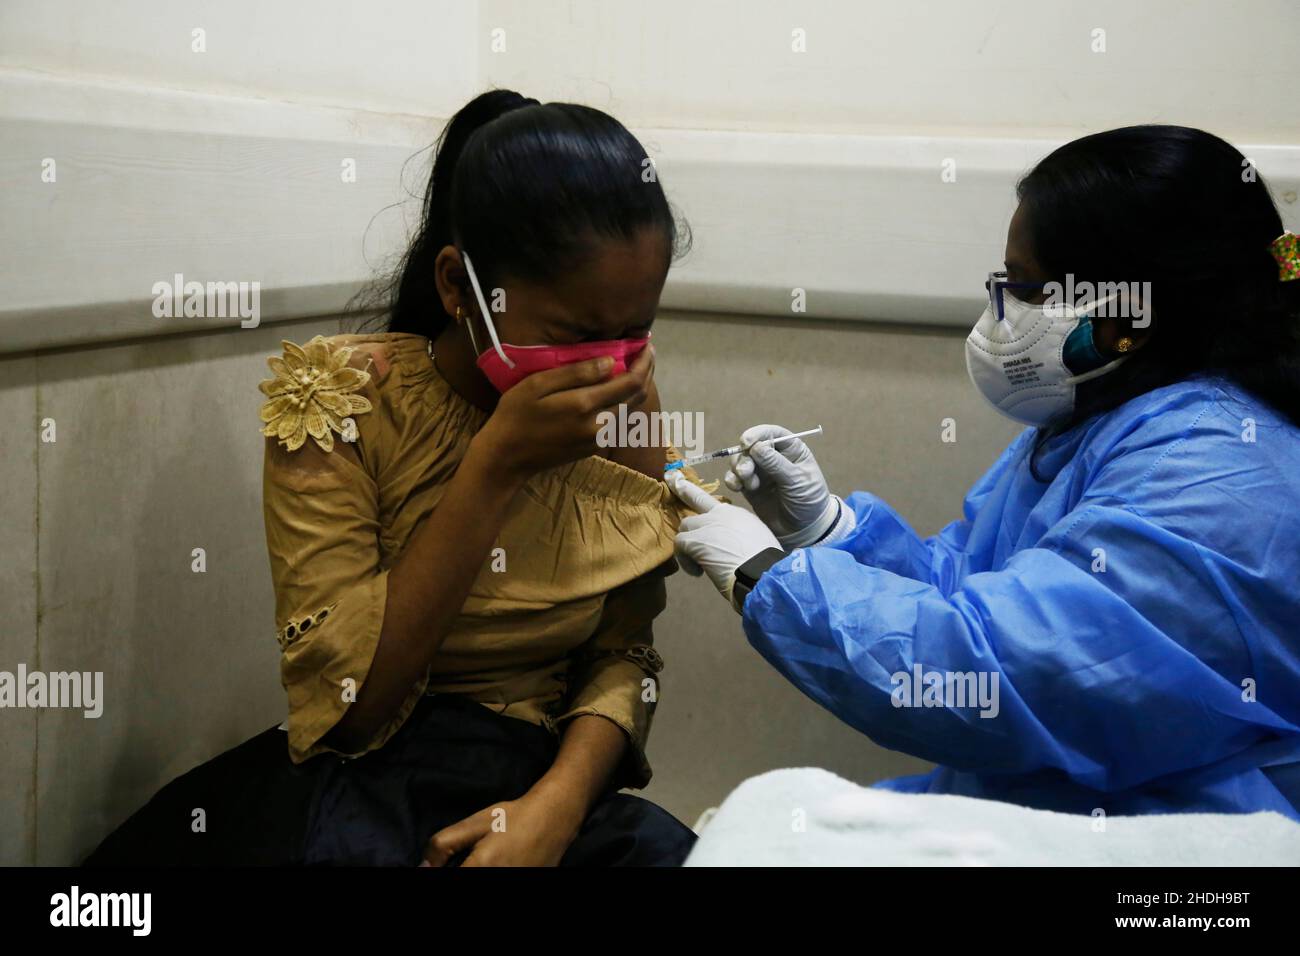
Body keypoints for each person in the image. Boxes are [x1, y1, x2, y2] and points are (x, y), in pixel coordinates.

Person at [86, 90, 702, 866]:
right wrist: (495, 467)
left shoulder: (626, 403)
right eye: (577, 335)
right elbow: (349, 708)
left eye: (635, 331)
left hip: (545, 778)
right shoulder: (335, 402)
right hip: (365, 772)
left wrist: (551, 809)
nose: (606, 365)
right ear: (458, 288)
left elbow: (626, 653)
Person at [669, 125, 1300, 820]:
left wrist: (765, 576)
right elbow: (978, 591)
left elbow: (993, 673)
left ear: (1126, 318)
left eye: (1026, 288)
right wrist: (828, 531)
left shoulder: (1218, 475)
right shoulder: (1110, 420)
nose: (1002, 311)